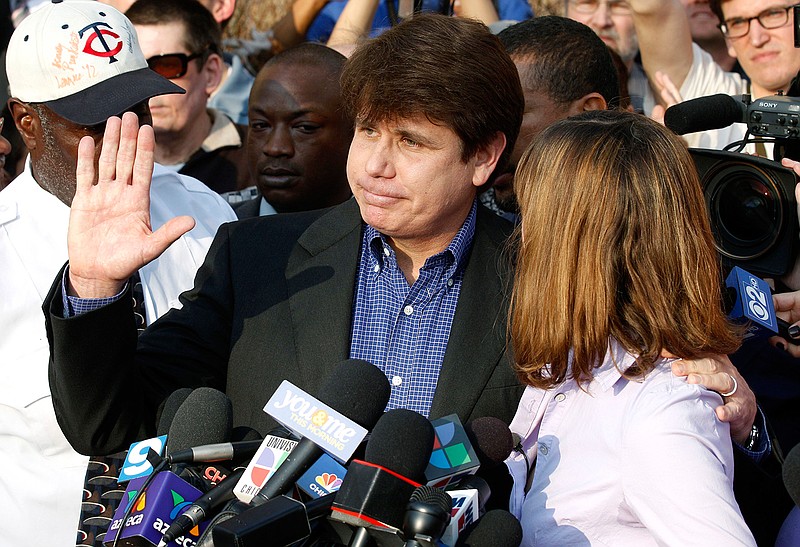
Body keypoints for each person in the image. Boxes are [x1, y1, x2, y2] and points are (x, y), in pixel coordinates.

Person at [44, 12, 755, 466]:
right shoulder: (259, 258)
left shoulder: (560, 276)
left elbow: (674, 458)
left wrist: (740, 421)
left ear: (483, 156)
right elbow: (108, 426)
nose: (376, 165)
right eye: (368, 132)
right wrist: (95, 288)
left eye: (412, 141)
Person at [0, 2, 237, 545]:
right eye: (93, 120)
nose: (124, 134)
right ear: (27, 122)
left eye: (135, 109)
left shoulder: (202, 212)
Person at [506, 109, 755, 545]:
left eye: (535, 217)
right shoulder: (573, 361)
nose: (521, 236)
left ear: (579, 245)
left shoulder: (660, 413)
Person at [483, 16, 621, 219]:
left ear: (590, 113)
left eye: (512, 114)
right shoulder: (471, 224)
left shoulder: (652, 224)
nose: (488, 138)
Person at [126, 0, 251, 194]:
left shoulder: (259, 157)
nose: (148, 84)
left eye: (167, 66)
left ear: (211, 73)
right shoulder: (98, 164)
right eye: (134, 68)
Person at [230, 43, 353, 218]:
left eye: (305, 127)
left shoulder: (387, 240)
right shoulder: (210, 233)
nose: (275, 148)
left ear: (354, 133)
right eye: (260, 125)